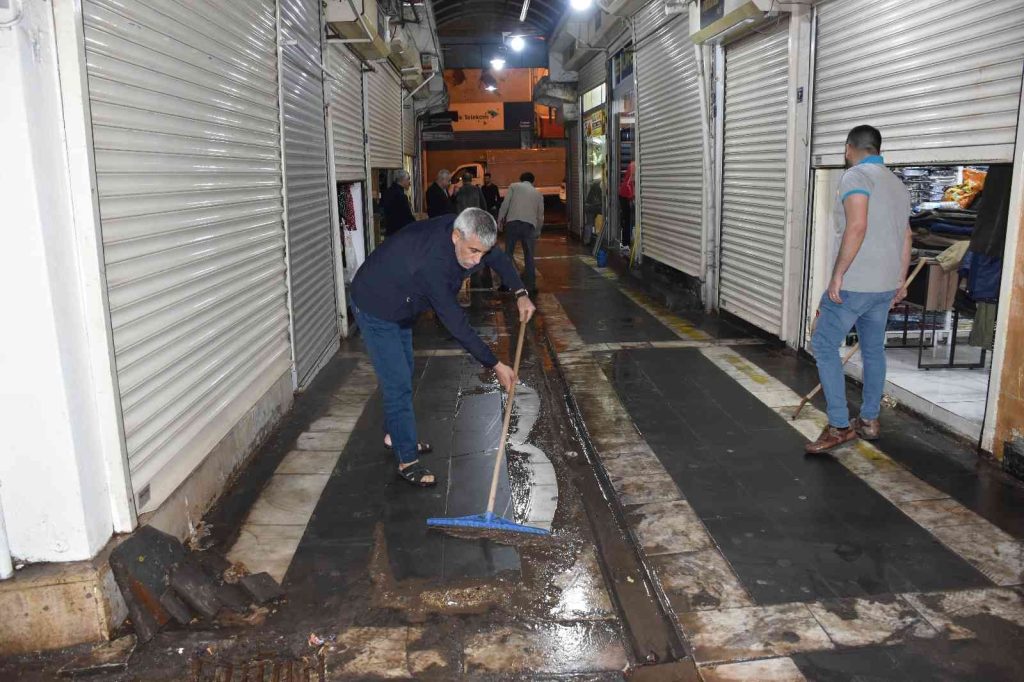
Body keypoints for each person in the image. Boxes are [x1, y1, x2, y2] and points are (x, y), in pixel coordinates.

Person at [350, 208, 536, 486]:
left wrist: (520, 293)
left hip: (403, 301)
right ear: (455, 236)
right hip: (376, 305)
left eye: (481, 254)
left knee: (404, 369)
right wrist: (494, 364)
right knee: (397, 382)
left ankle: (396, 435)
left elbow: (497, 257)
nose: (476, 261)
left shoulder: (472, 235)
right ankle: (407, 459)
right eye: (473, 251)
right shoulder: (432, 264)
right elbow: (456, 324)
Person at [805, 125, 912, 454]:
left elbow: (858, 224)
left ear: (850, 148)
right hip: (883, 287)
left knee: (823, 344)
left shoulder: (855, 176)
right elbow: (908, 236)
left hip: (855, 284)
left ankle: (838, 425)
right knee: (873, 350)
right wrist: (900, 281)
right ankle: (869, 420)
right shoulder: (897, 185)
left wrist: (838, 274)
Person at [498, 171, 545, 294]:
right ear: (533, 181)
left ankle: (505, 284)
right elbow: (540, 216)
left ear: (520, 179)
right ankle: (531, 286)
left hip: (512, 223)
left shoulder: (514, 186)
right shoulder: (538, 194)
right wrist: (538, 230)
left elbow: (505, 204)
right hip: (528, 225)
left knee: (508, 254)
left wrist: (500, 220)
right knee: (529, 256)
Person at [380, 169, 415, 236]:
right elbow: (407, 216)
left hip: (389, 230)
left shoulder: (387, 192)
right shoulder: (401, 196)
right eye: (408, 179)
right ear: (403, 180)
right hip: (400, 231)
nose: (409, 183)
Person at [618, 161, 635, 250]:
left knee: (628, 220)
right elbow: (629, 184)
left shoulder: (633, 164)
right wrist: (632, 197)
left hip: (625, 196)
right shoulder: (633, 165)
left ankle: (626, 242)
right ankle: (625, 243)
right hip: (624, 197)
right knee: (627, 220)